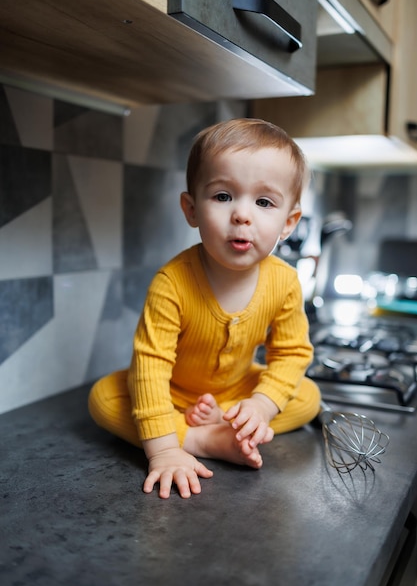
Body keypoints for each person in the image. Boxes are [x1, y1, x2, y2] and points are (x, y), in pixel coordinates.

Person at [88, 118, 321, 499]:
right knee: (103, 397)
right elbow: (150, 366)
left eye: (264, 202)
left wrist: (260, 405)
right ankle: (203, 440)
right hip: (172, 392)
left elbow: (292, 353)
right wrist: (165, 450)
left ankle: (231, 422)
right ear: (191, 209)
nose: (242, 215)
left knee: (308, 397)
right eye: (223, 196)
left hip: (237, 394)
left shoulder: (285, 282)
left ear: (288, 223)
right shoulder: (172, 282)